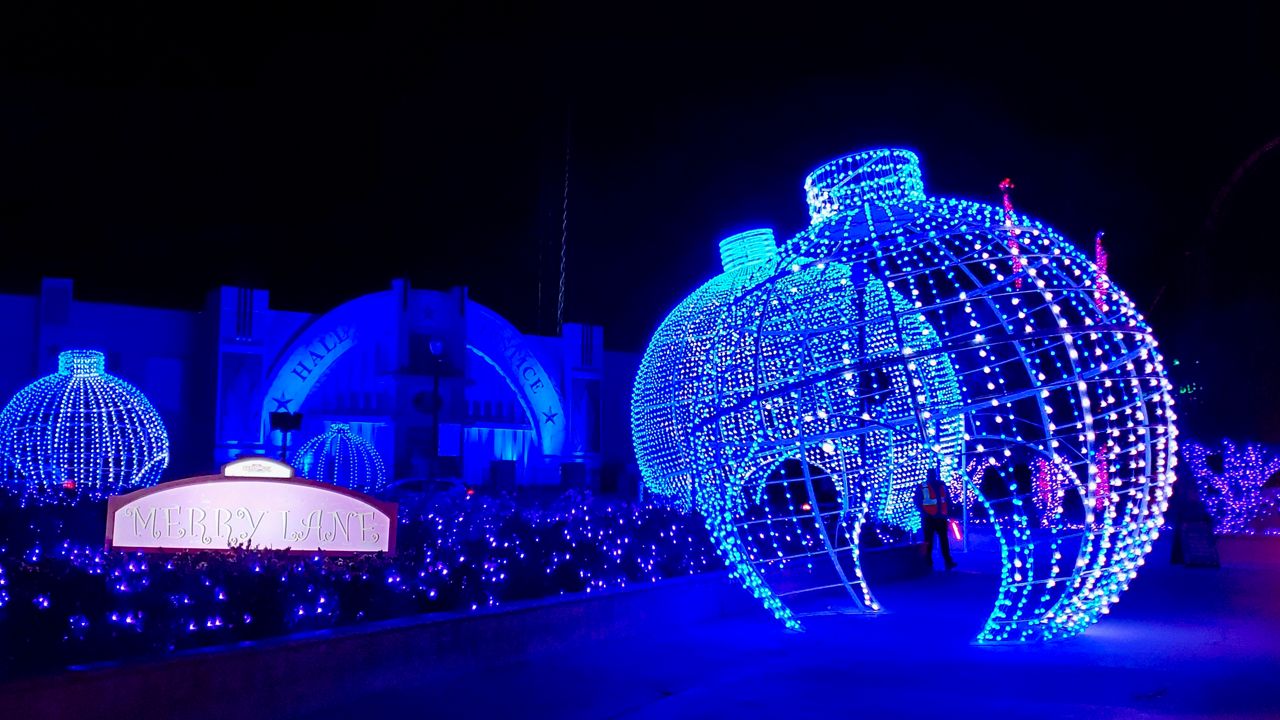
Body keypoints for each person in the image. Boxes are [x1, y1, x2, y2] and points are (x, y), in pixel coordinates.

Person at [917, 467, 957, 570]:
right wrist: (924, 513)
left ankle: (947, 561)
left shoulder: (941, 485)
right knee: (929, 541)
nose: (932, 476)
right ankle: (928, 562)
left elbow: (947, 499)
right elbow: (918, 501)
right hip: (929, 518)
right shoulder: (923, 487)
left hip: (940, 517)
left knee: (943, 540)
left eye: (933, 474)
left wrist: (948, 509)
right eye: (931, 474)